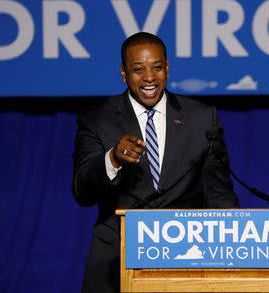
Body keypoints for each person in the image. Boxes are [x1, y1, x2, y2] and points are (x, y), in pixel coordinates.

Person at [71, 32, 239, 293]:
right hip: (116, 263)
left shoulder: (202, 119)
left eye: (157, 68)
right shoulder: (98, 119)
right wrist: (113, 158)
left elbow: (221, 198)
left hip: (186, 262)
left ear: (167, 69)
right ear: (124, 73)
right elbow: (83, 191)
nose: (149, 77)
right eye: (138, 70)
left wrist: (235, 259)